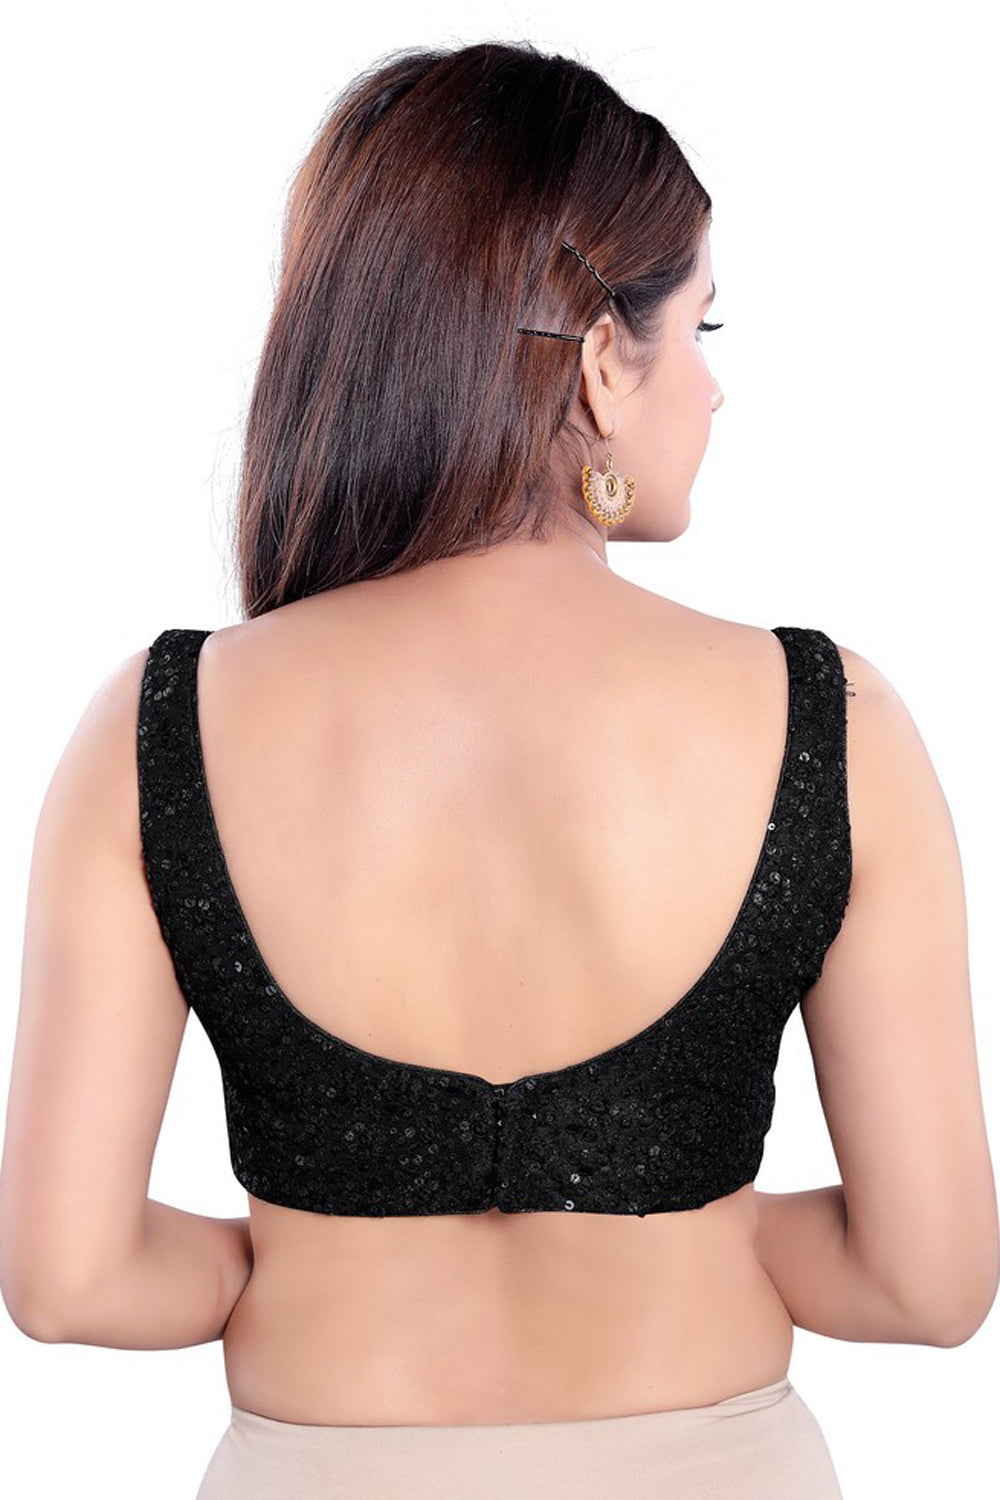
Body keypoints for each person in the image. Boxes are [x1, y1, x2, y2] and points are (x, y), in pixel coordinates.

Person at [1, 38, 997, 1500]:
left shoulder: (157, 723)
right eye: (703, 326)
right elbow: (931, 1285)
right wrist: (710, 1232)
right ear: (599, 358)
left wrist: (288, 1258)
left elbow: (68, 1282)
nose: (715, 389)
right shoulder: (831, 719)